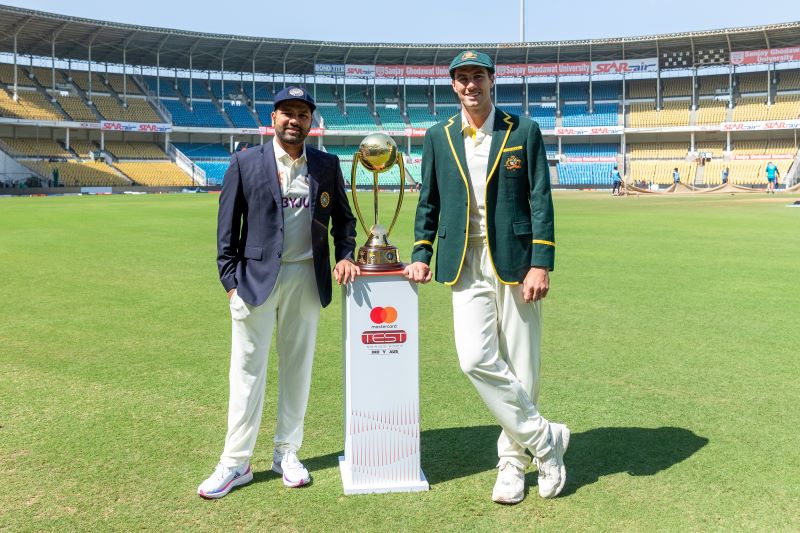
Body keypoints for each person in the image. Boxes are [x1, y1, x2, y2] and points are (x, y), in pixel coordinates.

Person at [403, 50, 569, 505]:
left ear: (492, 81)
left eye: (478, 76)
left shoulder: (523, 130)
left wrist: (541, 262)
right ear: (453, 86)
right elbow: (429, 202)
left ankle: (512, 464)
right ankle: (546, 441)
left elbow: (540, 199)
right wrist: (422, 252)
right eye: (462, 78)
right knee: (474, 358)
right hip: (464, 261)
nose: (470, 84)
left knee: (522, 365)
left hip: (517, 263)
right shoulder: (438, 136)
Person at [198, 86, 360, 499]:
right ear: (273, 119)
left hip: (306, 278)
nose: (294, 120)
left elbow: (344, 220)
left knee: (297, 369)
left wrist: (345, 255)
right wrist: (231, 283)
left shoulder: (326, 164)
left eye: (303, 114)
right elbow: (226, 232)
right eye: (287, 113)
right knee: (247, 372)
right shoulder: (244, 162)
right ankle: (236, 462)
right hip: (254, 282)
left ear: (311, 122)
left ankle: (286, 453)